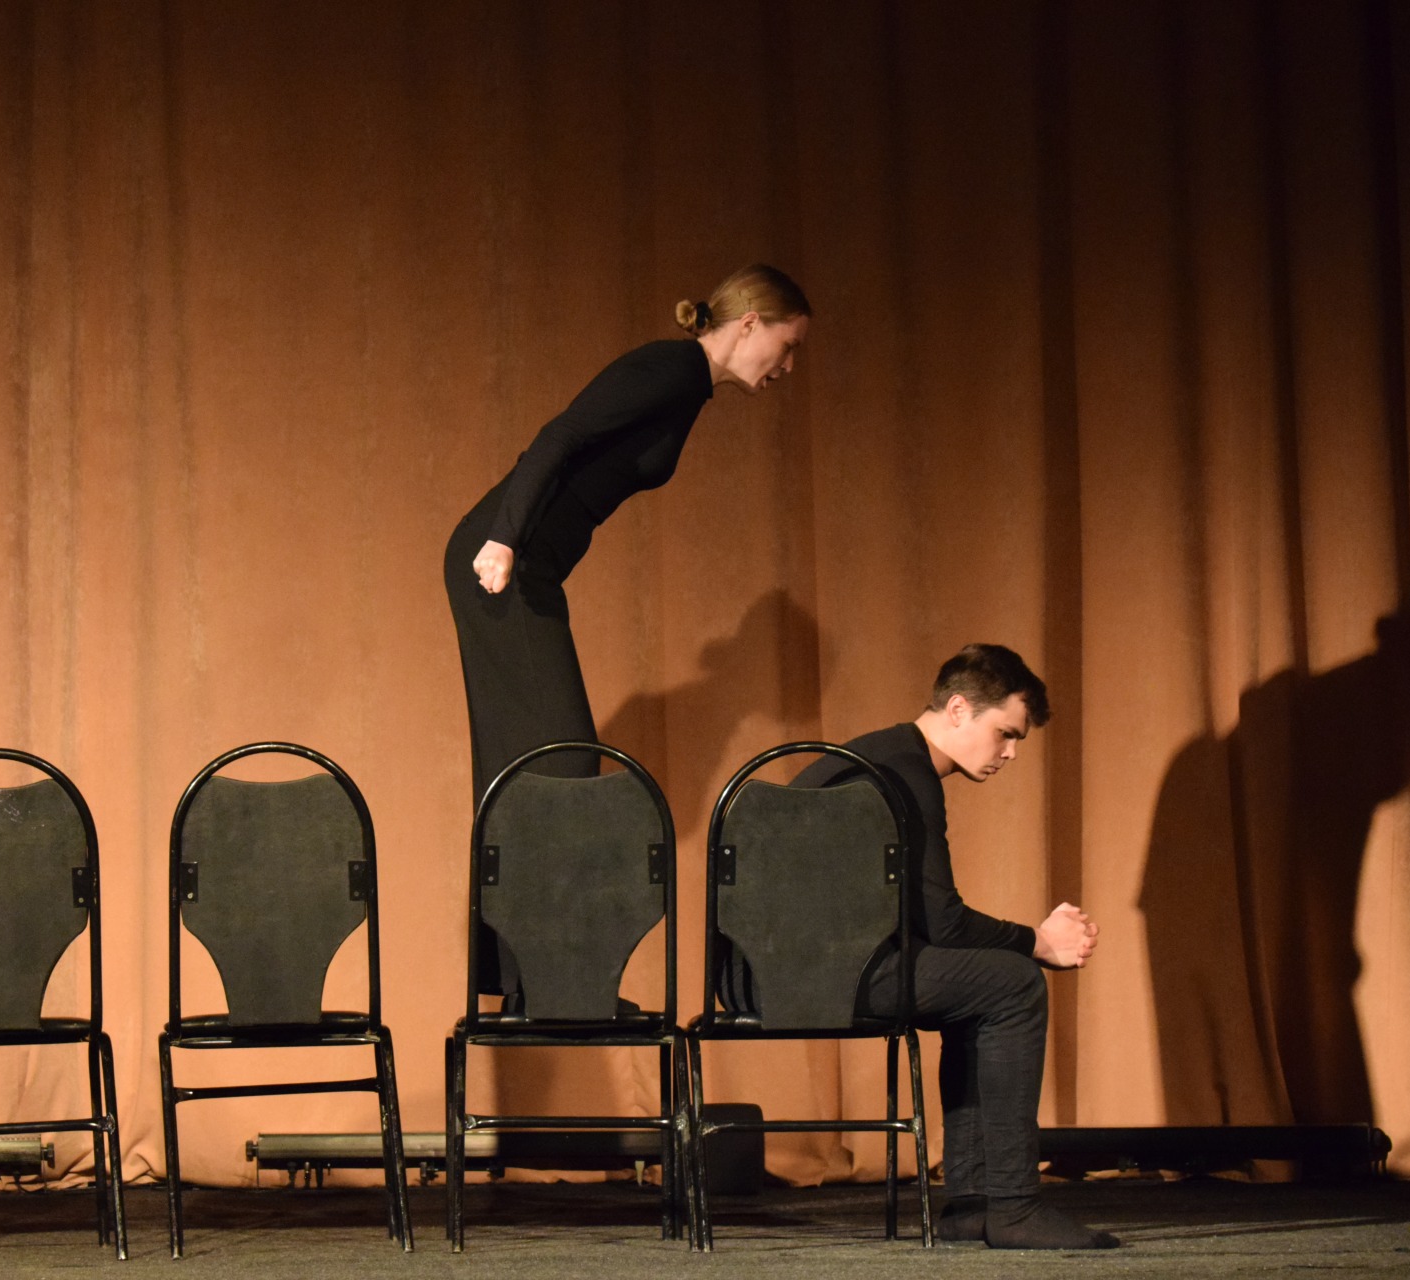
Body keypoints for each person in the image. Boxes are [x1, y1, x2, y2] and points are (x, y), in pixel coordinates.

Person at [444, 264, 811, 808]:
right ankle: (527, 864)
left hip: (527, 564)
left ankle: (510, 863)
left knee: (529, 758)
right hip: (505, 559)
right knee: (561, 760)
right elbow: (560, 435)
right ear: (751, 324)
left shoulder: (690, 386)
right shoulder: (674, 369)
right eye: (788, 346)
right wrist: (503, 539)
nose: (789, 365)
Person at [793, 644, 1119, 1249]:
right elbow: (943, 923)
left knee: (984, 981)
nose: (1011, 753)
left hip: (768, 976)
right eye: (1005, 734)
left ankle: (972, 1207)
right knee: (1013, 983)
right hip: (827, 976)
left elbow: (920, 923)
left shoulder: (877, 754)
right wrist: (1038, 942)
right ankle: (1013, 1206)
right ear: (960, 709)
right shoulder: (905, 774)